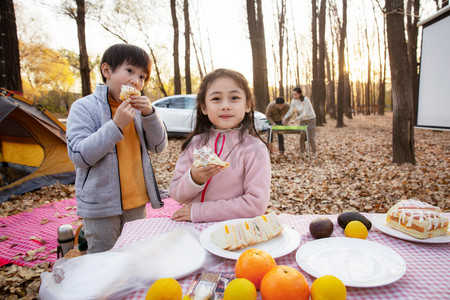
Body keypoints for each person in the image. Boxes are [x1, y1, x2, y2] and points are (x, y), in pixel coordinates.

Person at [66, 44, 168, 253]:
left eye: (142, 77)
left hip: (136, 202)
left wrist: (150, 114)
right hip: (100, 206)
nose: (135, 81)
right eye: (130, 71)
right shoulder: (84, 107)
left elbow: (158, 146)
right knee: (103, 261)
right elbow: (79, 155)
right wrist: (116, 125)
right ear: (107, 71)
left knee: (133, 256)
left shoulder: (140, 110)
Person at [170, 69, 271, 223]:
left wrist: (200, 212)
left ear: (247, 105)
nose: (225, 106)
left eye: (234, 98)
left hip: (233, 230)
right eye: (216, 98)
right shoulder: (195, 144)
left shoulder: (255, 149)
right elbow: (176, 193)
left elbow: (256, 204)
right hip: (190, 230)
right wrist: (194, 179)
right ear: (204, 107)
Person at [282, 87, 317, 155]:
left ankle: (314, 152)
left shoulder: (306, 100)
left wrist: (295, 119)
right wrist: (285, 118)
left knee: (311, 137)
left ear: (300, 94)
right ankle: (302, 151)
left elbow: (305, 113)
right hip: (303, 120)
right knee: (302, 136)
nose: (294, 96)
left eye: (296, 94)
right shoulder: (294, 101)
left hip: (311, 119)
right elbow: (290, 111)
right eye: (293, 95)